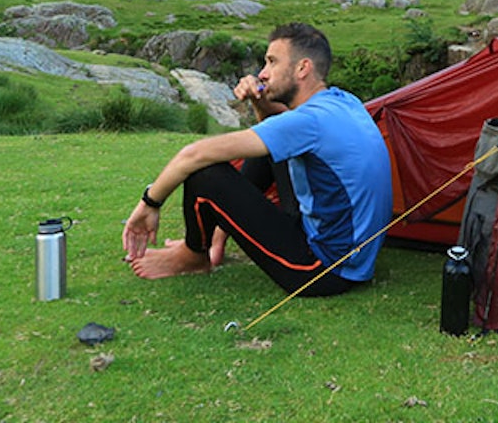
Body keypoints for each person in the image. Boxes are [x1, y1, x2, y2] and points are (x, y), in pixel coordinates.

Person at [122, 23, 393, 295]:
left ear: (302, 68)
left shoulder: (309, 121)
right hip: (349, 256)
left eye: (272, 62)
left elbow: (193, 154)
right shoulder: (342, 101)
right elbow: (278, 133)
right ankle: (216, 236)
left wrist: (150, 203)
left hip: (323, 270)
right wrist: (257, 99)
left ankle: (193, 256)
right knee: (267, 150)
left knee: (205, 174)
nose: (262, 73)